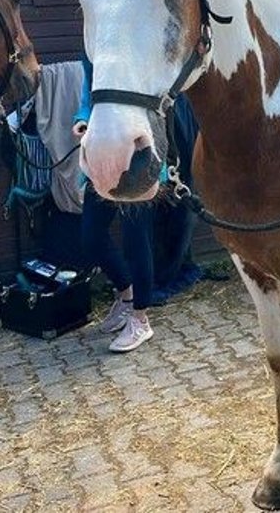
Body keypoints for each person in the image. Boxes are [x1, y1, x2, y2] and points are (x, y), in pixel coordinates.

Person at [73, 52, 157, 352]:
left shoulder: (136, 43)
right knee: (91, 236)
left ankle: (141, 319)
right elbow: (88, 94)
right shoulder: (92, 50)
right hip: (102, 153)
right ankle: (126, 295)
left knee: (136, 238)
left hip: (137, 152)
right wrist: (82, 119)